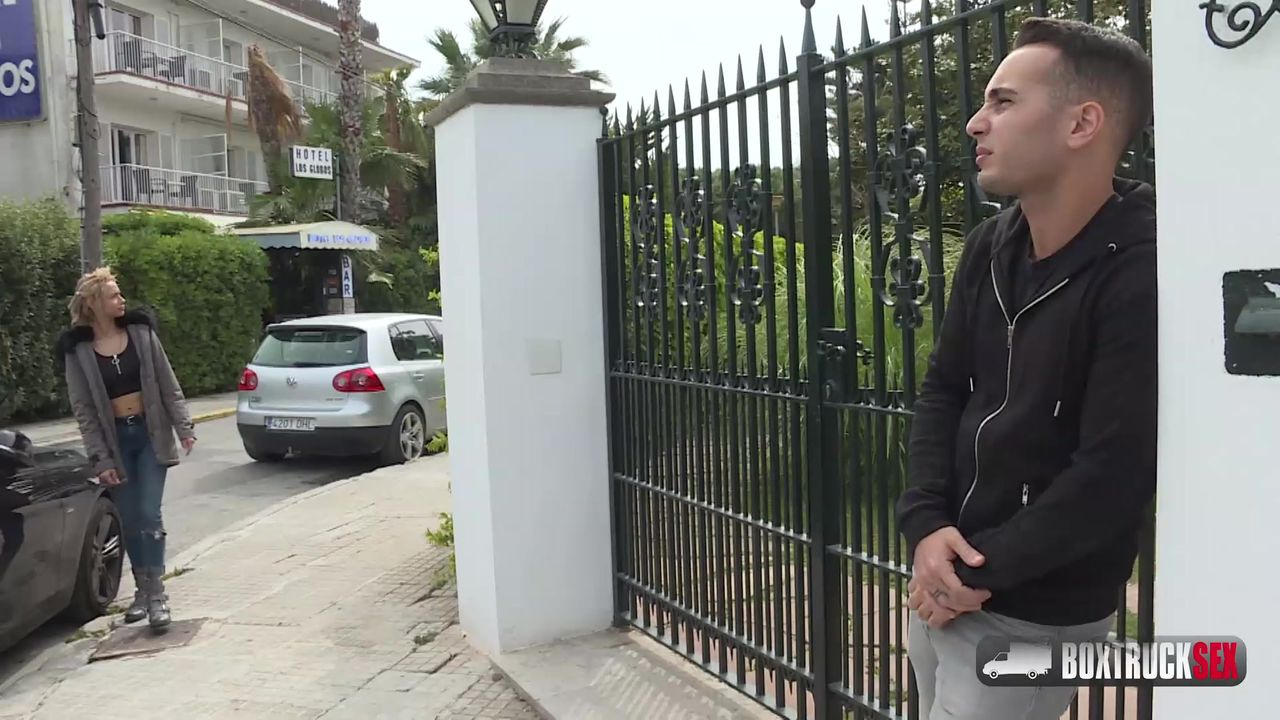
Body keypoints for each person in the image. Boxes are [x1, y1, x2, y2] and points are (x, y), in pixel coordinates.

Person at [895, 17, 1156, 720]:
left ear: (1082, 124)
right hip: (943, 586)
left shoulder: (1141, 270)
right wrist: (924, 525)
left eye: (1003, 102)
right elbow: (943, 390)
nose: (976, 123)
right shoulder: (990, 247)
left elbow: (1115, 471)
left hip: (1034, 615)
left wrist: (969, 573)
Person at [57, 268, 197, 632]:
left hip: (150, 434)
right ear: (94, 304)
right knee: (130, 519)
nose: (122, 301)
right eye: (114, 296)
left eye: (120, 294)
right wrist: (100, 458)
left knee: (149, 513)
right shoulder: (79, 352)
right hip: (115, 441)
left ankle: (157, 594)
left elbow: (168, 384)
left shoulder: (141, 334)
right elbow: (84, 410)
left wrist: (184, 427)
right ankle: (141, 590)